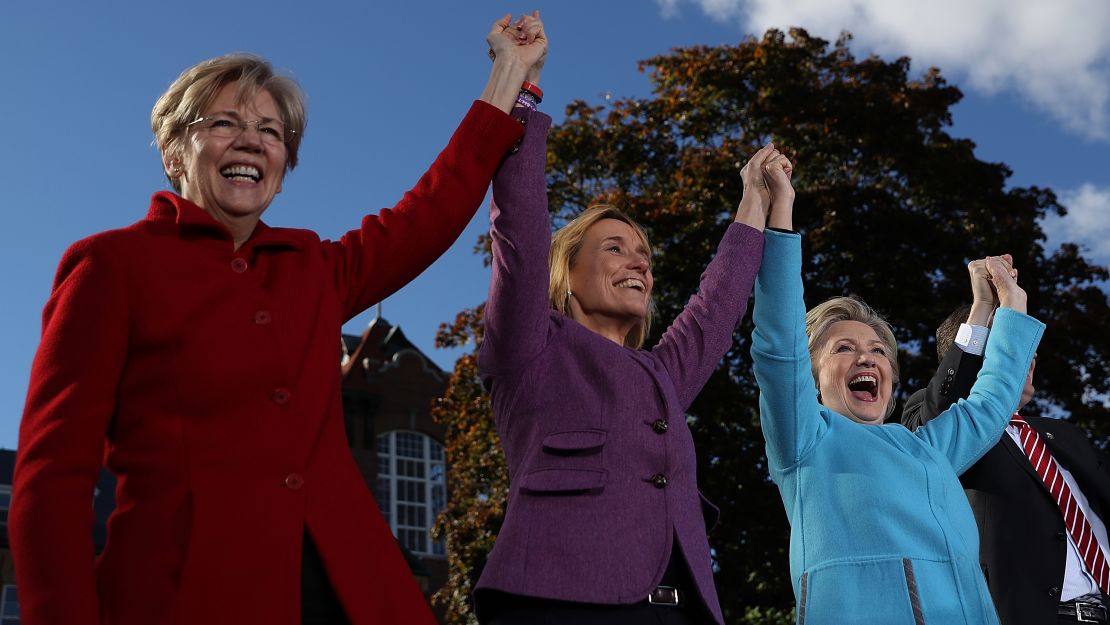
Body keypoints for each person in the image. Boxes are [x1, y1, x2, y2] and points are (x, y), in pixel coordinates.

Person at [11, 15, 547, 625]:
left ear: (284, 165)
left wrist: (510, 72)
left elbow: (430, 209)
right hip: (186, 596)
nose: (251, 141)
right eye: (224, 124)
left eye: (270, 131)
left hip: (355, 592)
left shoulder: (314, 269)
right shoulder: (110, 267)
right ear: (172, 151)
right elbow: (53, 477)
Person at [472, 25, 786, 620]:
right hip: (557, 598)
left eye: (643, 252)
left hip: (678, 605)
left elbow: (715, 309)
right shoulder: (529, 343)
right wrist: (522, 88)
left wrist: (755, 199)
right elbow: (519, 222)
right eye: (615, 248)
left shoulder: (662, 373)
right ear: (565, 271)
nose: (639, 259)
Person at [749, 159, 1045, 623]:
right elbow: (777, 345)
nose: (867, 358)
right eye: (844, 348)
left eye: (879, 351)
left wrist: (1003, 306)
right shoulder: (805, 438)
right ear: (810, 376)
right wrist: (780, 215)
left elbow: (991, 402)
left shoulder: (925, 447)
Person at [902, 262, 1110, 625]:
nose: (1029, 357)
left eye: (1028, 347)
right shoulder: (945, 424)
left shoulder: (1064, 434)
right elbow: (937, 421)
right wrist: (983, 307)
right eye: (1010, 341)